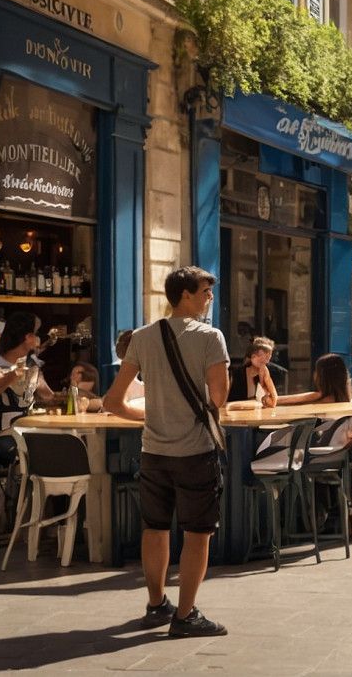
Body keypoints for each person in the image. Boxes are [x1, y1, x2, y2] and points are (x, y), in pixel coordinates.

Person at [103, 266, 230, 638]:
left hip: (153, 452)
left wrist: (148, 418)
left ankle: (157, 604)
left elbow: (113, 400)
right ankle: (186, 615)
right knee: (197, 534)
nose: (209, 298)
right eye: (206, 291)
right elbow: (219, 397)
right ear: (186, 295)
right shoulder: (211, 337)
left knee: (155, 528)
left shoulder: (142, 336)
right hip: (195, 452)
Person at [0, 311, 58, 431]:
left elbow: (48, 396)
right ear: (28, 337)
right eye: (36, 334)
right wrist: (12, 376)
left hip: (26, 437)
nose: (39, 338)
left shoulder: (31, 366)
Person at [278, 353, 352, 406]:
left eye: (316, 370)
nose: (314, 374)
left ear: (323, 376)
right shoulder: (346, 399)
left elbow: (280, 401)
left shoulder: (318, 397)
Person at [227, 337, 279, 407]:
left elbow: (273, 401)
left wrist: (265, 380)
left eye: (268, 357)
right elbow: (227, 400)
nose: (266, 362)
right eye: (262, 357)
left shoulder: (269, 371)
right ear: (252, 356)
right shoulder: (237, 373)